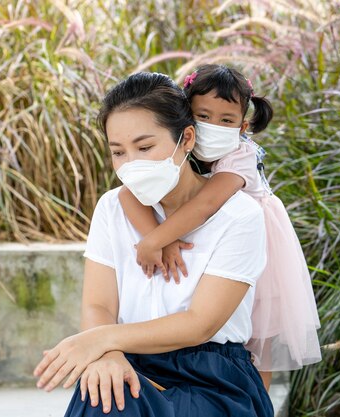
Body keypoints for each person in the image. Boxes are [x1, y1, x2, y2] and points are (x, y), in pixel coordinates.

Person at [33, 72, 274, 416]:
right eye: (118, 152)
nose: (131, 163)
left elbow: (200, 324)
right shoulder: (112, 208)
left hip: (212, 380)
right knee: (107, 392)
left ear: (186, 138)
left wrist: (100, 341)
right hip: (131, 361)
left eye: (145, 147)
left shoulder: (239, 215)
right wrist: (109, 356)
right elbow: (99, 305)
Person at [119, 64, 322, 389]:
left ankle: (257, 400)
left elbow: (206, 204)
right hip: (205, 237)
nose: (213, 126)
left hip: (259, 244)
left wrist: (157, 237)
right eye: (204, 115)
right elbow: (127, 196)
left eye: (226, 120)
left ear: (242, 125)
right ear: (187, 117)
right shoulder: (179, 147)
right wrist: (160, 240)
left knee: (257, 335)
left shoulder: (239, 156)